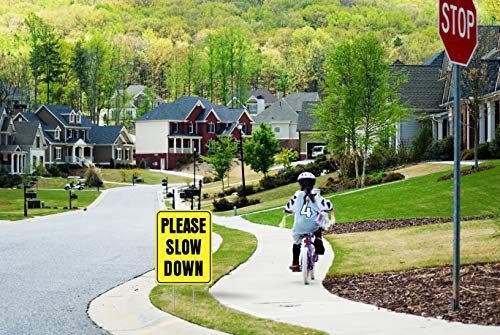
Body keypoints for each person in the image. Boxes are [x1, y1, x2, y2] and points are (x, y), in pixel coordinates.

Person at [284, 171, 335, 272]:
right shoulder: (317, 195)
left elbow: (288, 207)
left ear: (300, 184)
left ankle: (295, 264)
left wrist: (288, 211)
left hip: (299, 227)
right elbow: (328, 206)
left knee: (296, 242)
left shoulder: (297, 195)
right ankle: (318, 239)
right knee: (317, 224)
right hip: (313, 225)